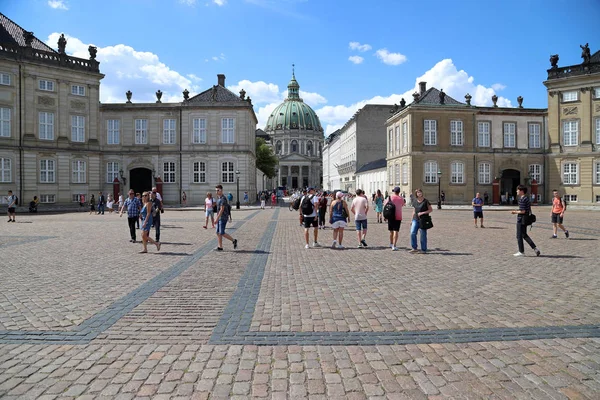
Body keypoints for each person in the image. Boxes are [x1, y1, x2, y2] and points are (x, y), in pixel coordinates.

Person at [511, 185, 540, 257]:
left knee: (519, 236)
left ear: (521, 191)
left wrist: (515, 212)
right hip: (525, 219)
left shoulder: (523, 199)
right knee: (524, 235)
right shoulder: (525, 198)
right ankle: (535, 248)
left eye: (517, 190)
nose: (516, 191)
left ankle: (521, 251)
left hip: (521, 219)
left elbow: (523, 211)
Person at [215, 184, 237, 251]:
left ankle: (233, 240)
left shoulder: (223, 199)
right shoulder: (219, 199)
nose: (216, 192)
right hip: (219, 217)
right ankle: (220, 246)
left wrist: (217, 218)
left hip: (223, 217)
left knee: (222, 232)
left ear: (221, 190)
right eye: (216, 190)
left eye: (218, 190)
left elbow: (222, 209)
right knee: (217, 232)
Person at [410, 188, 433, 254]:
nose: (419, 193)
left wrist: (423, 213)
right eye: (418, 192)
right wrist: (411, 220)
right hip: (415, 219)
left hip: (423, 220)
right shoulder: (415, 201)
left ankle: (423, 249)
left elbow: (430, 210)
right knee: (412, 232)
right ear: (416, 194)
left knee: (423, 234)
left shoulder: (426, 201)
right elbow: (414, 211)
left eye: (420, 192)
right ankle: (414, 247)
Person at [385, 186, 405, 251]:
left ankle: (391, 243)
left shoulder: (390, 197)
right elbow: (402, 204)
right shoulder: (401, 198)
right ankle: (394, 245)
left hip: (390, 216)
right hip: (398, 216)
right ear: (399, 192)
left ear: (394, 191)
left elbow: (385, 204)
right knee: (396, 231)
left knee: (391, 231)